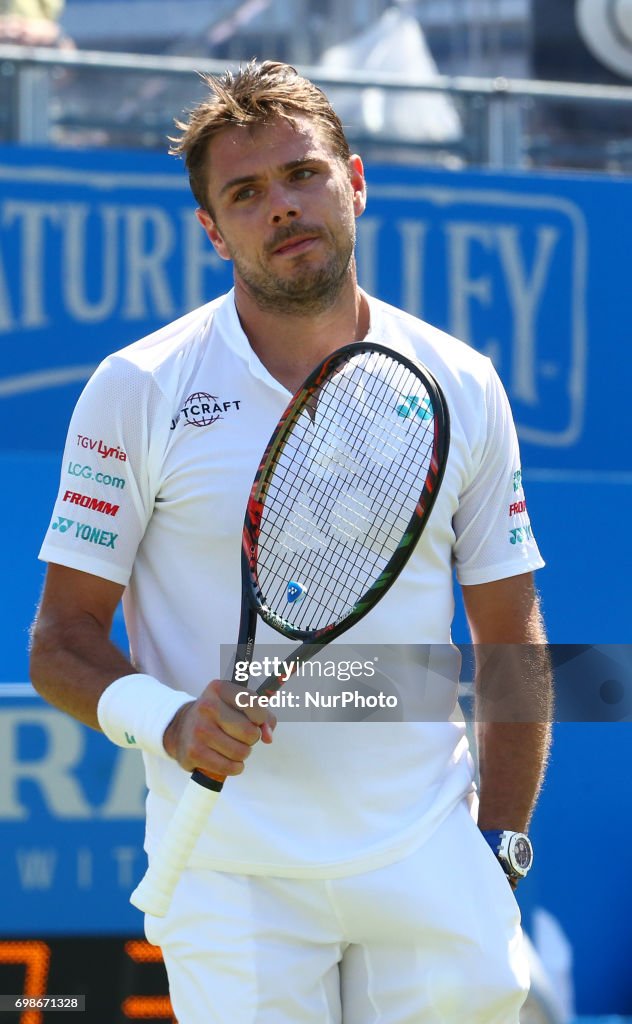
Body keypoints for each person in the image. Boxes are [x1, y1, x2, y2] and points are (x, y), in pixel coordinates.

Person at [30, 60, 552, 1024]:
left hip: (430, 864)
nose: (281, 205)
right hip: (232, 879)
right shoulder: (138, 387)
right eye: (245, 192)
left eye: (302, 175)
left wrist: (500, 848)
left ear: (354, 182)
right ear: (211, 230)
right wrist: (173, 720)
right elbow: (60, 643)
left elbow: (512, 643)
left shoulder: (463, 383)